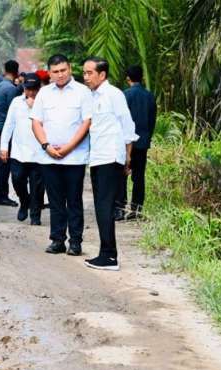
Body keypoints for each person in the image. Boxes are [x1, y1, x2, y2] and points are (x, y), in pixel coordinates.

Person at [31, 54, 92, 256]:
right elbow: (36, 122)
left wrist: (68, 147)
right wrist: (46, 146)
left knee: (74, 200)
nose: (60, 75)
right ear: (49, 73)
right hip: (49, 156)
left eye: (63, 70)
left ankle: (75, 242)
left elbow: (86, 123)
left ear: (70, 69)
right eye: (55, 71)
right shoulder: (43, 94)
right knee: (55, 201)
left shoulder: (83, 92)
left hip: (74, 157)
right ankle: (57, 240)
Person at [82, 57, 138, 271]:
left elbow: (128, 127)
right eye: (84, 73)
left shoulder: (114, 95)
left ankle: (109, 256)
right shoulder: (92, 96)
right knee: (100, 207)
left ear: (102, 74)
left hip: (110, 157)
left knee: (104, 207)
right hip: (97, 157)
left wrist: (127, 158)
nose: (86, 77)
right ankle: (106, 253)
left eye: (89, 73)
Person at [0, 73, 46, 225]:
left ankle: (35, 215)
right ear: (23, 88)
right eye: (28, 89)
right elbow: (9, 125)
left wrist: (35, 108)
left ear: (39, 89)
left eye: (34, 89)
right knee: (17, 180)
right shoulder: (16, 102)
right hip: (19, 151)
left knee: (37, 186)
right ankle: (24, 202)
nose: (31, 93)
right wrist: (4, 146)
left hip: (39, 152)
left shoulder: (45, 103)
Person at [116, 64, 157, 220]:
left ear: (128, 78)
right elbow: (152, 120)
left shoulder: (124, 95)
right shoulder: (149, 96)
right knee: (139, 177)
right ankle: (137, 210)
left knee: (122, 175)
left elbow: (121, 120)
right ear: (142, 78)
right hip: (143, 142)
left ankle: (120, 208)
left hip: (126, 143)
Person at [0, 59, 20, 206]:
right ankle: (1, 195)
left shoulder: (0, 84)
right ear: (16, 72)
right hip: (4, 128)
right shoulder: (11, 89)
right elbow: (14, 112)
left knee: (2, 162)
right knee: (5, 162)